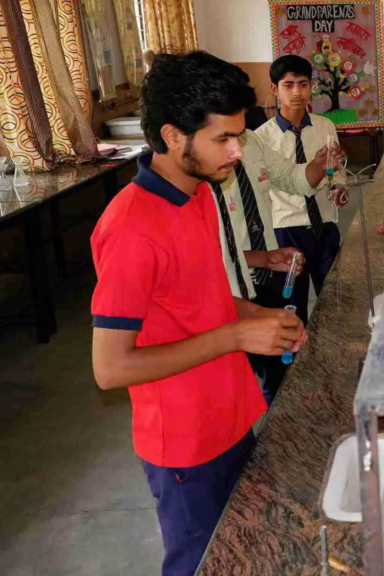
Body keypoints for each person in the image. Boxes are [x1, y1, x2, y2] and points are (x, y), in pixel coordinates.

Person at [90, 51, 308, 576]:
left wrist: (260, 317)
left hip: (230, 413)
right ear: (172, 136)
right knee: (202, 562)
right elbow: (110, 368)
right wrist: (236, 336)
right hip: (185, 443)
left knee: (245, 552)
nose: (237, 152)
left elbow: (202, 298)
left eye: (240, 136)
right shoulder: (131, 228)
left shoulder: (200, 195)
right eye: (223, 139)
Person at [212, 123, 342, 405]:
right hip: (229, 286)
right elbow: (212, 251)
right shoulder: (202, 168)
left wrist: (319, 166)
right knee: (236, 380)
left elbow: (292, 177)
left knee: (278, 366)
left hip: (266, 273)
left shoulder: (251, 142)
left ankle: (281, 413)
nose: (236, 149)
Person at [255, 55, 346, 325]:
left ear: (311, 87)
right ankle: (296, 351)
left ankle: (331, 347)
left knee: (335, 299)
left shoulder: (324, 127)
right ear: (275, 89)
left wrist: (339, 185)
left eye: (303, 84)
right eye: (288, 85)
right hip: (286, 229)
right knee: (291, 305)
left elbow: (335, 170)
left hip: (325, 225)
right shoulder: (261, 138)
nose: (297, 92)